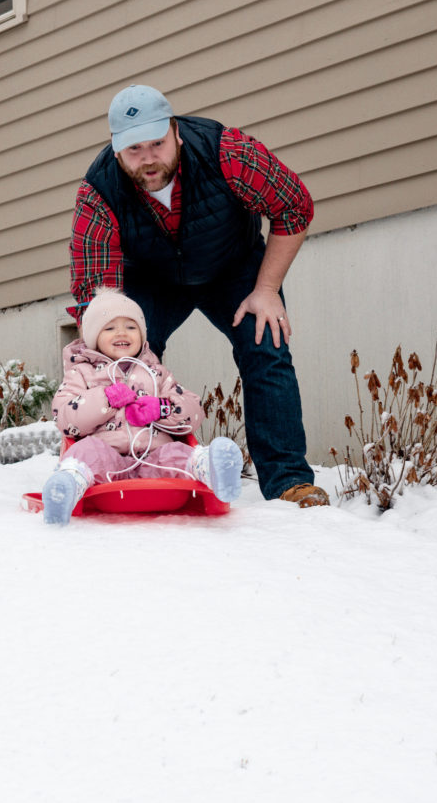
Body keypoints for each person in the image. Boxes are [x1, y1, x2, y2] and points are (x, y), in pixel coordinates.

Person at [69, 84, 329, 508]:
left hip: (233, 264)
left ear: (176, 131)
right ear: (116, 151)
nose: (149, 158)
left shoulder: (226, 152)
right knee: (121, 354)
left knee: (265, 344)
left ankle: (289, 482)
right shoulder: (99, 193)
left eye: (157, 143)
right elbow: (95, 294)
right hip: (150, 278)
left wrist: (265, 290)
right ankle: (124, 462)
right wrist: (102, 353)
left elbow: (293, 206)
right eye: (135, 149)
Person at [43, 288, 243, 525]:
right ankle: (65, 488)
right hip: (107, 464)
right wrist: (104, 399)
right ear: (92, 337)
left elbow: (193, 412)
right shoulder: (82, 373)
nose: (121, 332)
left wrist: (163, 409)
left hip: (154, 458)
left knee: (177, 454)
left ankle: (213, 472)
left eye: (131, 326)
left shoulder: (156, 372)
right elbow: (64, 418)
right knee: (86, 454)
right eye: (109, 327)